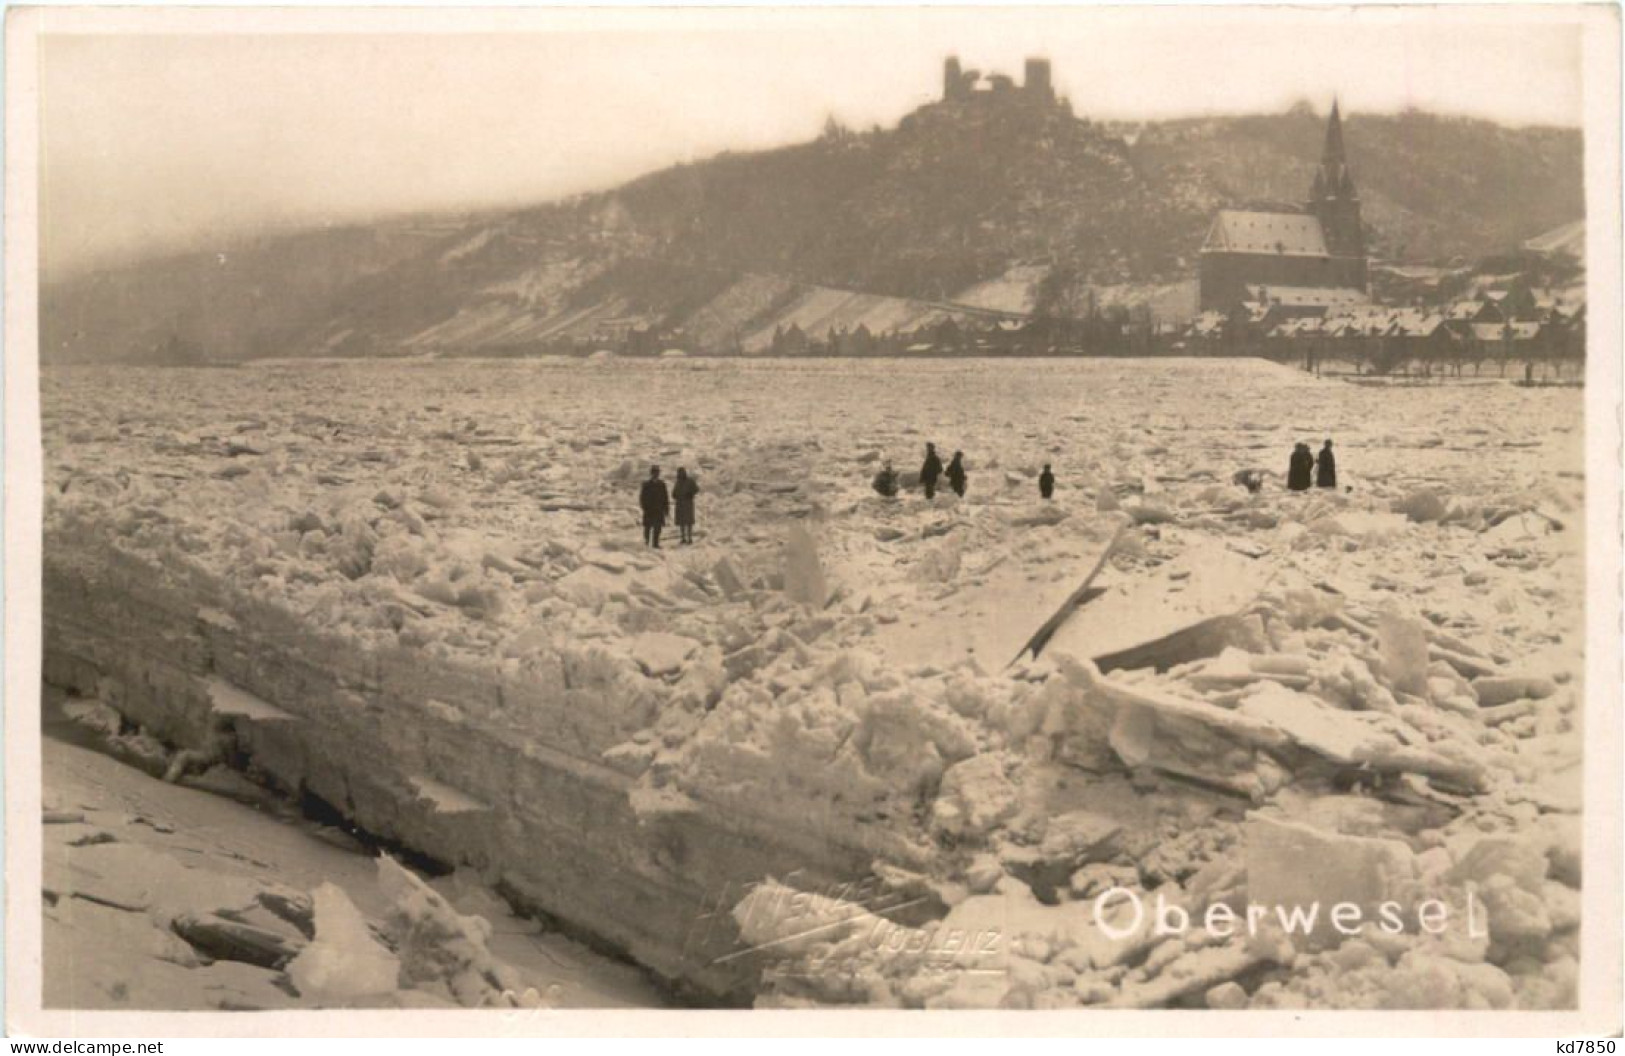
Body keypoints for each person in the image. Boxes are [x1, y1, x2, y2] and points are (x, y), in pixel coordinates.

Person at [639, 465, 669, 548]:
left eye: (657, 472)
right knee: (648, 527)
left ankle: (655, 544)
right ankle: (646, 543)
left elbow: (665, 497)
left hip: (659, 509)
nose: (656, 474)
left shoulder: (662, 484)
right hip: (649, 509)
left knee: (658, 528)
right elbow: (642, 497)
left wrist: (666, 509)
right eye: (654, 472)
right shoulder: (646, 485)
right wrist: (644, 507)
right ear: (651, 473)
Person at [672, 467, 699, 545]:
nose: (680, 474)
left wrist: (690, 494)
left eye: (681, 472)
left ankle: (690, 538)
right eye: (679, 473)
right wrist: (675, 495)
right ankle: (683, 538)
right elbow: (674, 493)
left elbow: (696, 489)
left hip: (688, 504)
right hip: (680, 504)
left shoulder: (690, 481)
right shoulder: (678, 482)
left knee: (689, 522)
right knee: (682, 522)